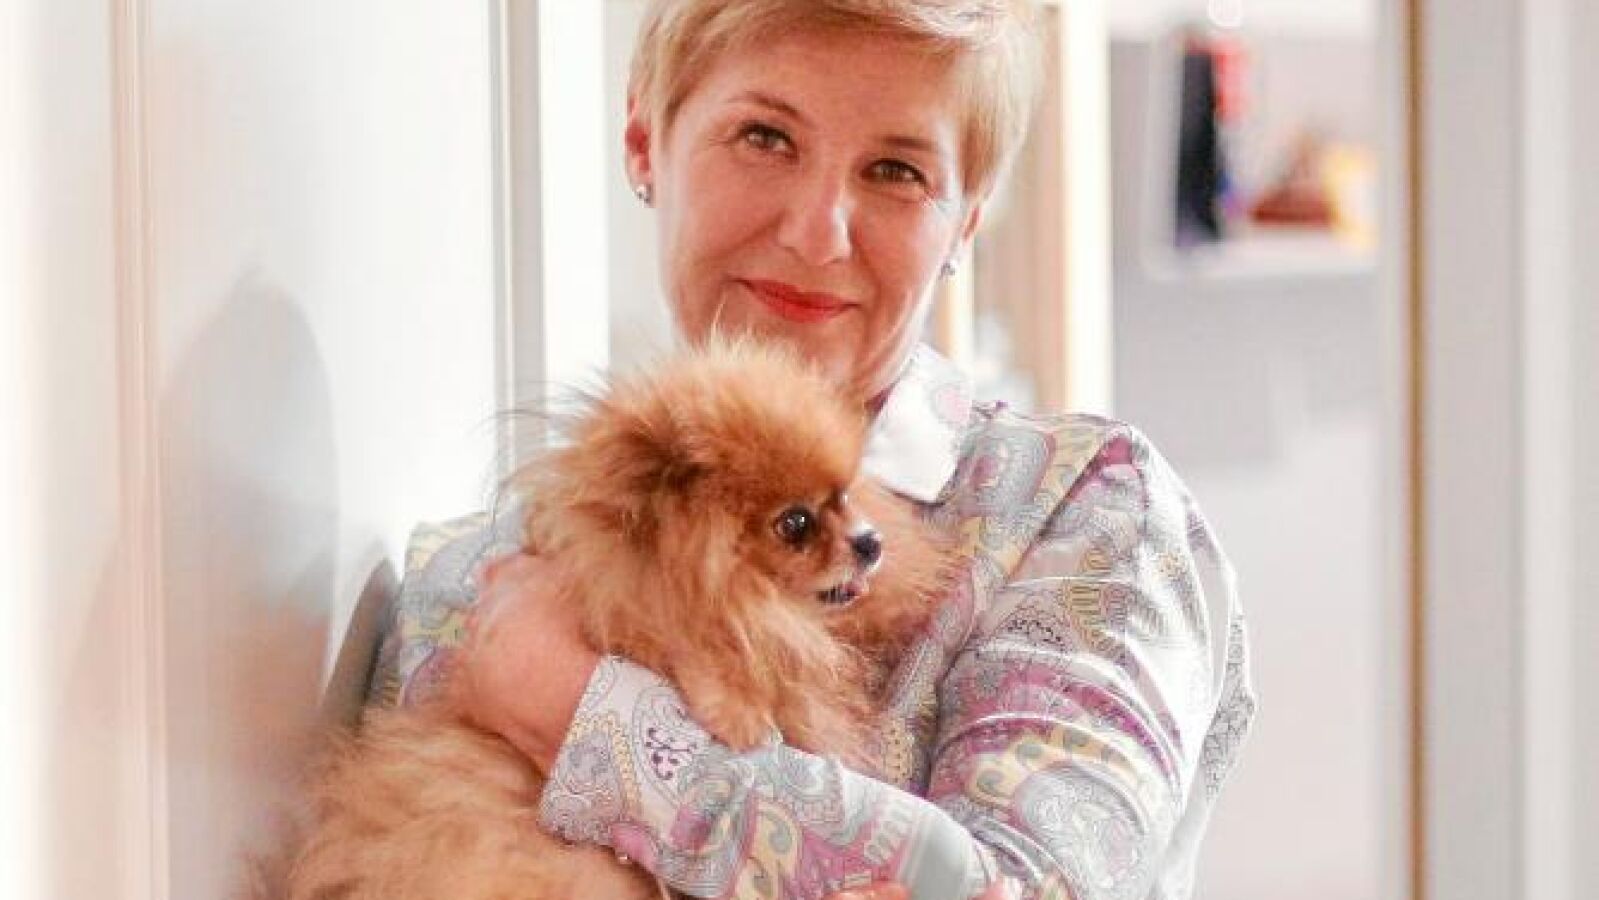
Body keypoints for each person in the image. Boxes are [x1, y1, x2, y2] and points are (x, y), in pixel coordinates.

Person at [367, 2, 1256, 898]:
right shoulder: (475, 579)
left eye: (896, 171)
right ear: (643, 142)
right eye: (764, 137)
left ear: (966, 218)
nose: (818, 230)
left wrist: (580, 712)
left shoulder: (1081, 516)